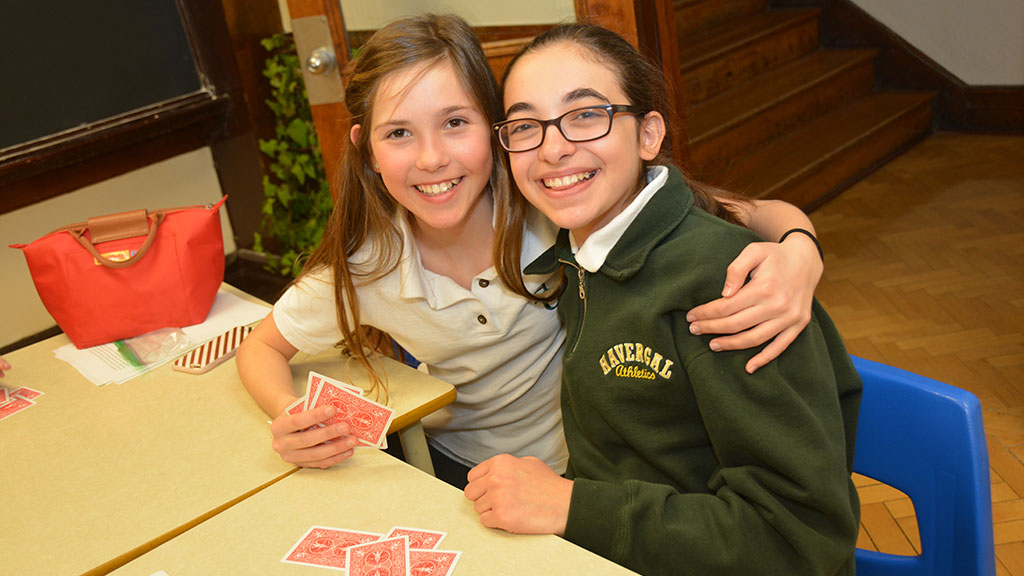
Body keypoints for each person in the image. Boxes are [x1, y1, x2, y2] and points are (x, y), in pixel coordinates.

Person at [236, 14, 826, 489]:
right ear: (366, 149)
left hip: (601, 469)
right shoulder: (369, 264)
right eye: (399, 133)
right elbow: (261, 346)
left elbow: (749, 211)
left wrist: (799, 252)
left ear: (498, 132)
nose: (431, 159)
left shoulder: (551, 201)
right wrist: (290, 414)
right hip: (464, 473)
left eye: (455, 123)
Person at [464, 23, 861, 575]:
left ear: (648, 134)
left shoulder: (735, 291)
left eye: (585, 114)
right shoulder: (583, 253)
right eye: (527, 125)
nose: (553, 147)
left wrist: (571, 505)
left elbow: (798, 539)